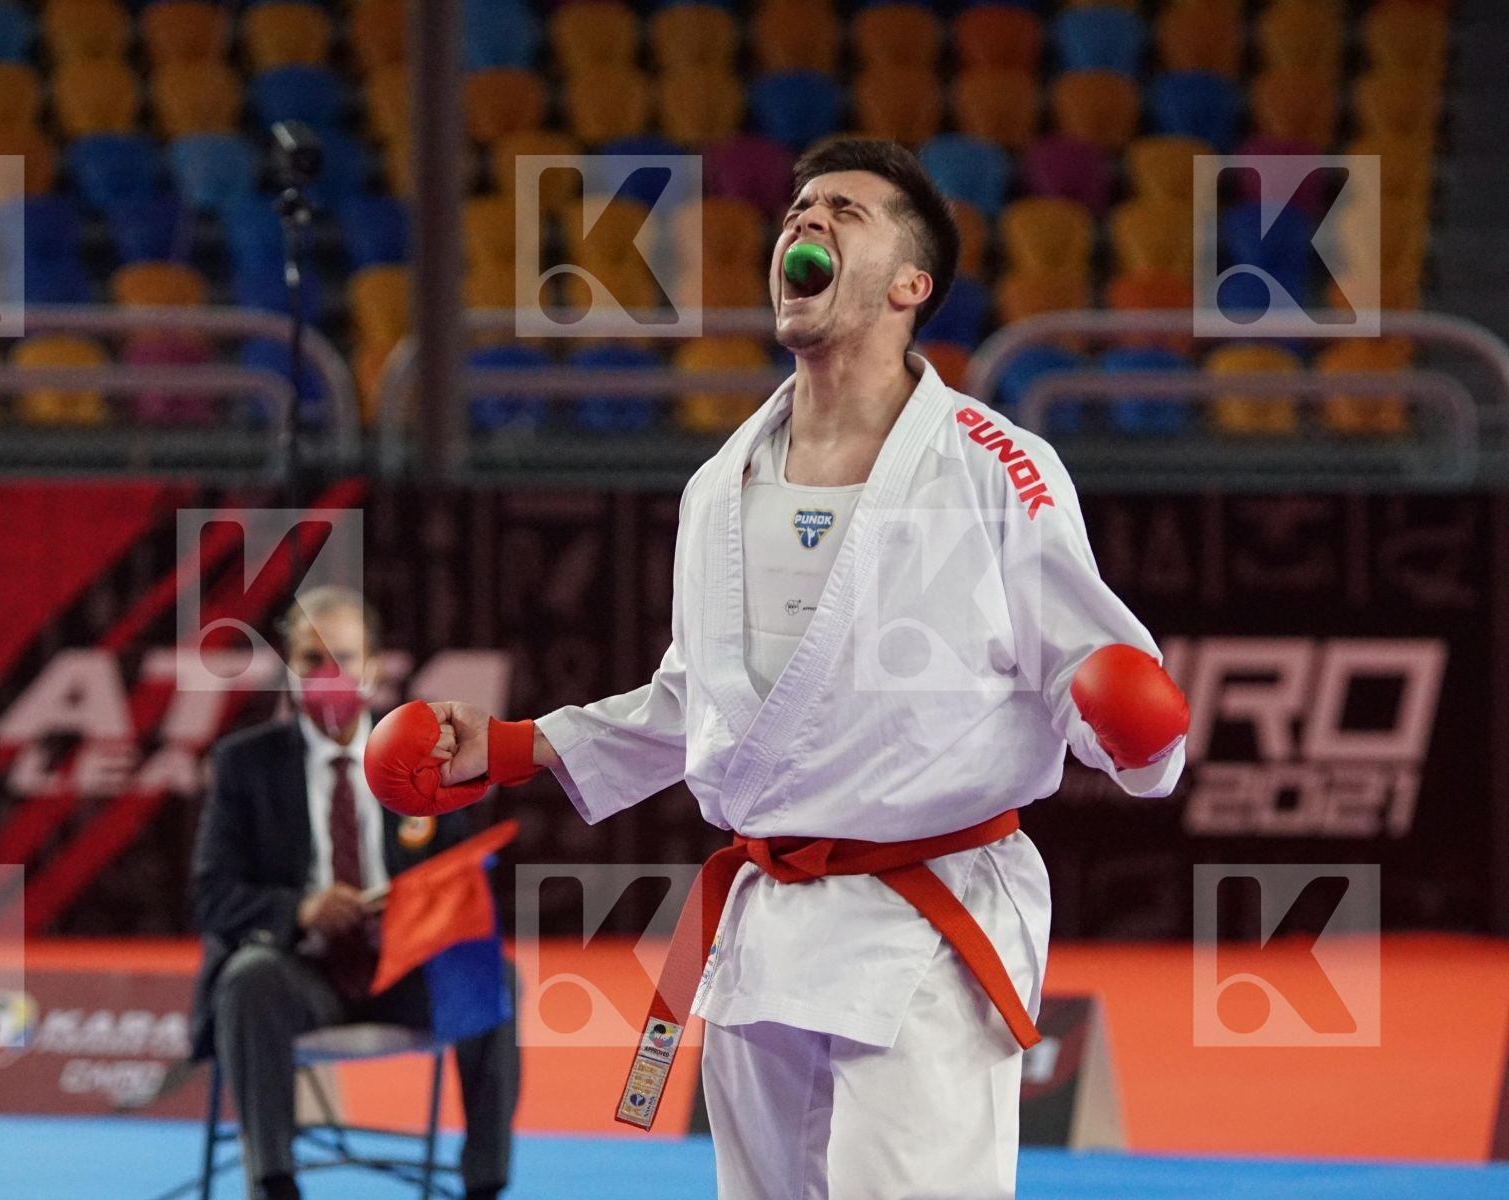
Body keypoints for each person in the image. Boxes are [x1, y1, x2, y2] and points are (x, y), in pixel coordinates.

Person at [411, 138, 1188, 1198]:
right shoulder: (717, 482)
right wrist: (519, 746)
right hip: (767, 921)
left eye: (847, 213)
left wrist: (1136, 735)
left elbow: (1094, 670)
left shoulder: (996, 465)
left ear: (913, 286)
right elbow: (703, 702)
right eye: (797, 210)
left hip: (928, 919)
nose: (805, 223)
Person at [187, 586, 520, 1200]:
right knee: (247, 975)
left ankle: (484, 1183)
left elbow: (463, 881)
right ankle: (275, 1183)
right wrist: (300, 911)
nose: (329, 676)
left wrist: (413, 908)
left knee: (490, 973)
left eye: (343, 658)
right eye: (312, 660)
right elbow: (211, 896)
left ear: (373, 667)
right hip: (299, 975)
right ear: (289, 669)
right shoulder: (245, 765)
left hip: (402, 972)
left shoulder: (424, 757)